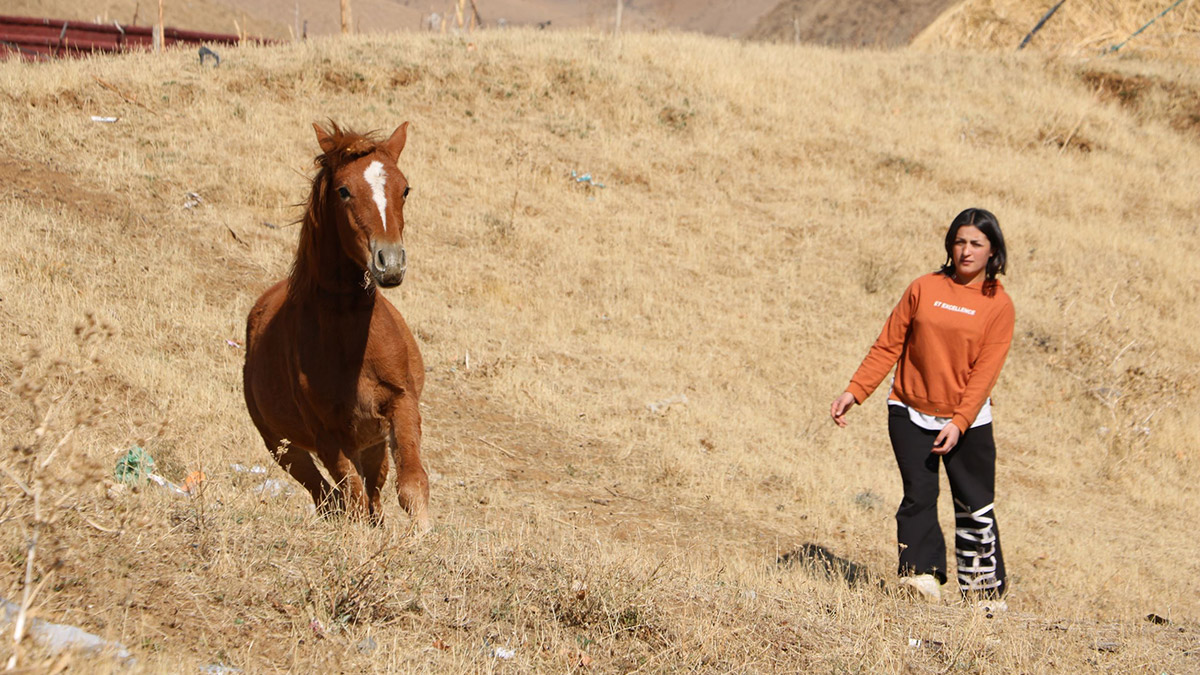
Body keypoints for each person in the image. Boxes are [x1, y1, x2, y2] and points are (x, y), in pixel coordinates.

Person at [830, 208, 1014, 607]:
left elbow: (986, 372)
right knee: (918, 494)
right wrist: (854, 391)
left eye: (976, 244)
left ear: (992, 251)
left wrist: (961, 422)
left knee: (974, 503)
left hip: (968, 419)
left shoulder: (999, 304)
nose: (966, 251)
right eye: (960, 241)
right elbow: (888, 344)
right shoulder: (923, 288)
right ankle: (921, 576)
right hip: (909, 409)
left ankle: (983, 594)